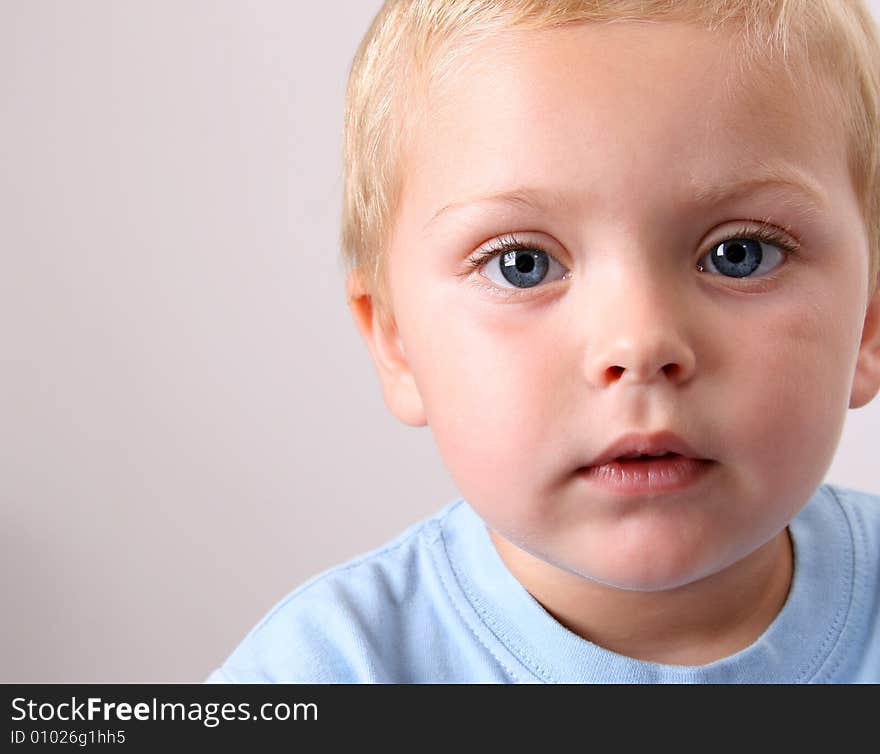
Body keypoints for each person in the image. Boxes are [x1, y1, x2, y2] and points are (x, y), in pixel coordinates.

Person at [207, 0, 880, 683]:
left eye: (739, 253)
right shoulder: (325, 672)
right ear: (396, 341)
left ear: (869, 320)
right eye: (521, 263)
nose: (639, 343)